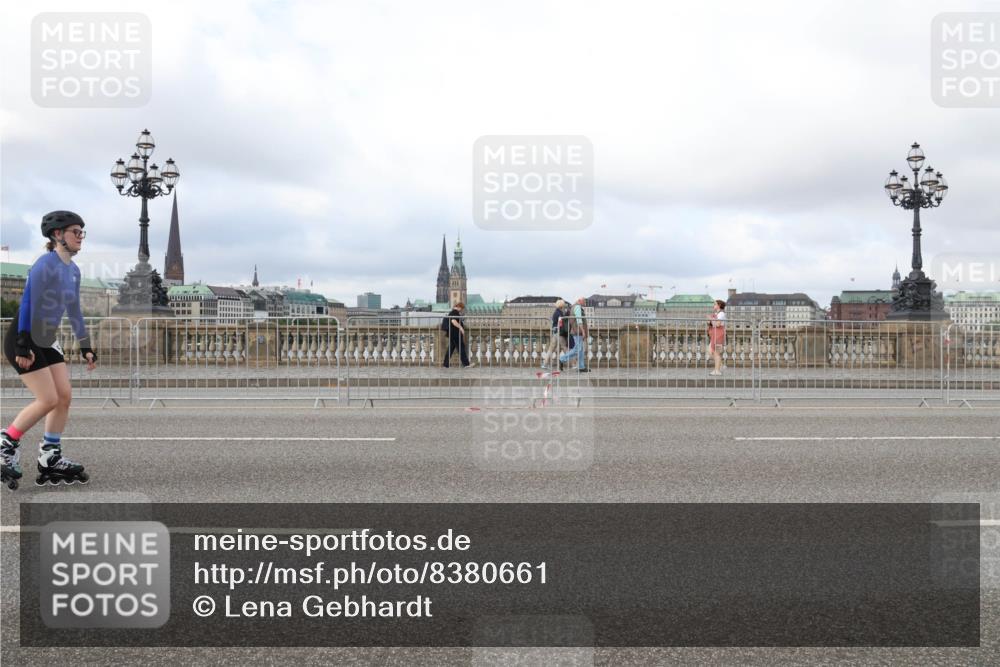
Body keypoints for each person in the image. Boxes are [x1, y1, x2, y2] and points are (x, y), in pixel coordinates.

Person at [1, 211, 97, 490]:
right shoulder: (45, 264)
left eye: (82, 233)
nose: (80, 237)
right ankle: (6, 443)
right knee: (47, 399)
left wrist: (85, 345)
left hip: (48, 337)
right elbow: (27, 302)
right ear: (58, 235)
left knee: (64, 396)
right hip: (27, 333)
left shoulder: (74, 271)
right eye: (75, 232)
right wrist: (22, 342)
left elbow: (74, 310)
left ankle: (50, 456)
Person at [558, 298, 589, 373]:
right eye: (584, 302)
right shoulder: (577, 307)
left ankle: (581, 367)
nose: (585, 304)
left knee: (580, 350)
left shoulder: (574, 307)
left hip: (577, 331)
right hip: (577, 331)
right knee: (578, 349)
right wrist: (583, 331)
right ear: (580, 301)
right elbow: (579, 320)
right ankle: (562, 359)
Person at [442, 301, 474, 369]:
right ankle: (466, 364)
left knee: (450, 349)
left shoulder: (452, 312)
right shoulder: (454, 312)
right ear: (459, 307)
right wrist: (461, 328)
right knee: (461, 348)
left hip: (453, 334)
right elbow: (453, 321)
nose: (462, 310)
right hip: (455, 334)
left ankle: (445, 364)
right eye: (461, 309)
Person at [540, 299, 568, 370]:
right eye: (563, 305)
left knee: (551, 349)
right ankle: (574, 363)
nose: (564, 306)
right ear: (561, 305)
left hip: (555, 332)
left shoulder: (556, 312)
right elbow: (561, 323)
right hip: (559, 332)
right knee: (565, 348)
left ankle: (545, 364)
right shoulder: (559, 313)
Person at [708, 299, 726, 376]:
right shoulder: (717, 313)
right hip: (715, 333)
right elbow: (713, 324)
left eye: (715, 304)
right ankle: (720, 365)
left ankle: (717, 370)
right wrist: (710, 321)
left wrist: (711, 319)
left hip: (719, 334)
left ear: (719, 305)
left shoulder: (721, 314)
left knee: (716, 353)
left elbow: (718, 324)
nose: (713, 305)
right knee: (710, 351)